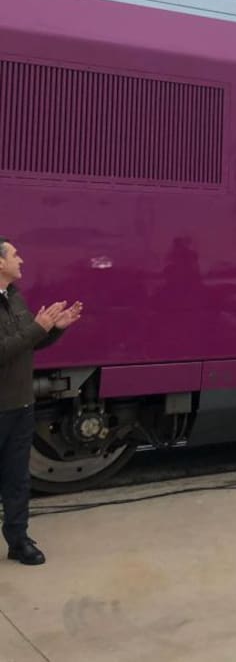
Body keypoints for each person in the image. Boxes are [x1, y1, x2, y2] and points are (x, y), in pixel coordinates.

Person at [0, 237, 83, 565]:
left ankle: (18, 540)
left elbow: (27, 345)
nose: (21, 259)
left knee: (18, 478)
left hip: (21, 404)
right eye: (15, 254)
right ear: (0, 263)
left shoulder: (14, 296)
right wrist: (37, 328)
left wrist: (55, 329)